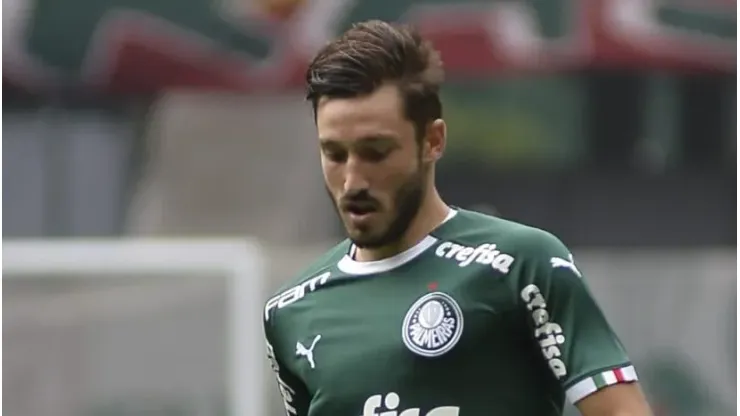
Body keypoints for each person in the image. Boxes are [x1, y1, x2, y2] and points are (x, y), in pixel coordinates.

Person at [263, 20, 653, 416]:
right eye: (335, 154)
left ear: (432, 141)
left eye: (376, 152)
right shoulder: (291, 312)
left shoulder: (521, 265)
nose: (353, 180)